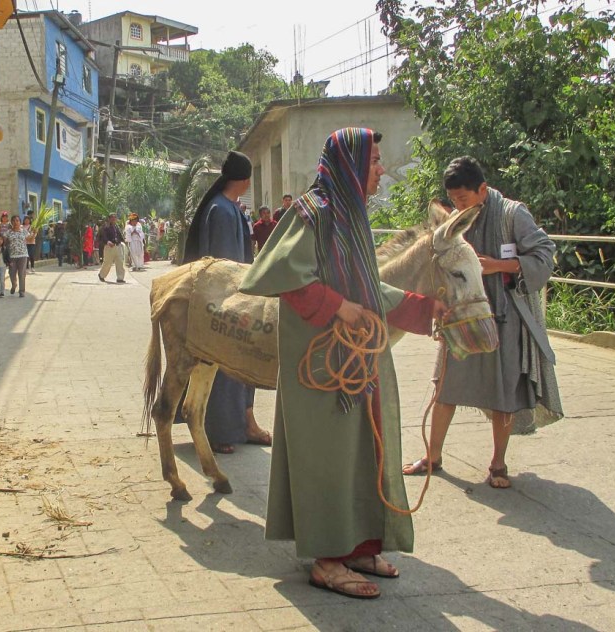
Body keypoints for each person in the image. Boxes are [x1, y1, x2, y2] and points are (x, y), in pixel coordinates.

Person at [240, 128, 442, 599]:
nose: (381, 170)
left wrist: (426, 309)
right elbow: (284, 277)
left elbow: (369, 290)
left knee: (362, 452)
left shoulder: (351, 217)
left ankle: (358, 546)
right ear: (350, 165)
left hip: (355, 360)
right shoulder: (313, 212)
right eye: (373, 161)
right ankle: (328, 562)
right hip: (322, 366)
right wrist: (338, 307)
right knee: (328, 460)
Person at [402, 156, 562, 489]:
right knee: (445, 386)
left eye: (463, 199)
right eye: (453, 200)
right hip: (461, 314)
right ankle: (432, 456)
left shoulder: (512, 214)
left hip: (504, 316)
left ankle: (498, 465)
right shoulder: (454, 221)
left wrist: (499, 265)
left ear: (483, 189)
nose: (457, 205)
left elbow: (545, 253)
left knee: (502, 390)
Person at [183, 150, 271, 453]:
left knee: (246, 362)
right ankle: (219, 431)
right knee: (222, 367)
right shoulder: (220, 210)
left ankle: (245, 422)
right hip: (224, 300)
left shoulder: (230, 207)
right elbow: (222, 264)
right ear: (245, 181)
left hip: (241, 295)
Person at [5, 214, 32, 297]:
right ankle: (14, 284)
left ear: (20, 222)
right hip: (12, 256)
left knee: (22, 273)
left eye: (17, 220)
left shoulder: (23, 231)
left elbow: (29, 239)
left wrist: (34, 233)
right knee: (11, 273)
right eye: (13, 220)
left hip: (23, 255)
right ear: (11, 222)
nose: (15, 222)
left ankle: (22, 291)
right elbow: (4, 243)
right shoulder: (8, 232)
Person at [98, 213, 126, 283]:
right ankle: (101, 275)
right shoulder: (105, 226)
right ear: (109, 219)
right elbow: (103, 236)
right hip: (109, 247)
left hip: (118, 246)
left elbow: (120, 235)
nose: (114, 219)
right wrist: (107, 242)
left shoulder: (117, 226)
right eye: (112, 218)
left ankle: (120, 278)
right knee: (107, 263)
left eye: (115, 218)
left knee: (120, 262)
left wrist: (123, 240)